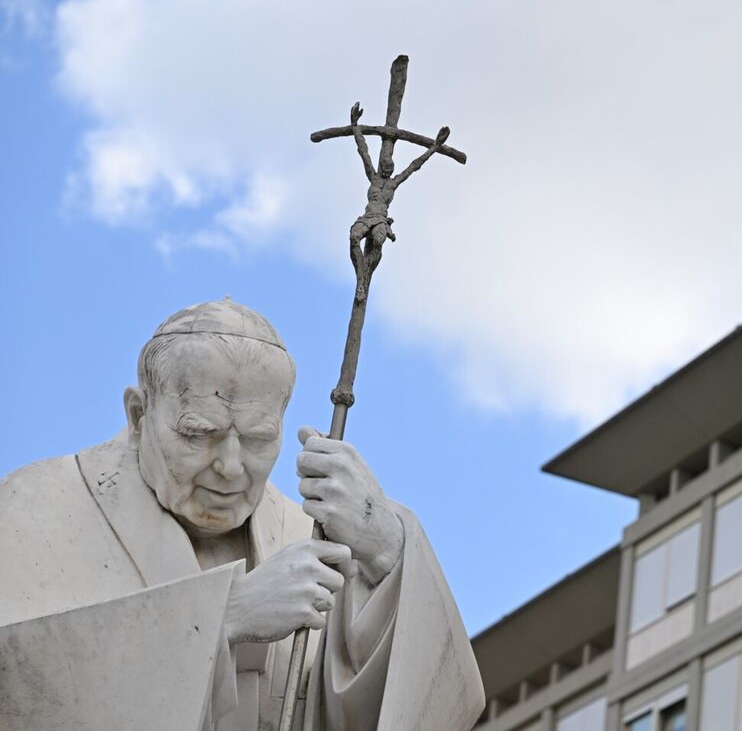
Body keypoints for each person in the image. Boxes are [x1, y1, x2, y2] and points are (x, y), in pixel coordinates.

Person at [0, 299, 484, 730]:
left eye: (257, 438)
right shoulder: (36, 506)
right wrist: (224, 618)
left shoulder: (311, 545)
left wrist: (390, 557)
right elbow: (20, 690)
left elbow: (425, 712)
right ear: (137, 416)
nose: (231, 468)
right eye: (198, 433)